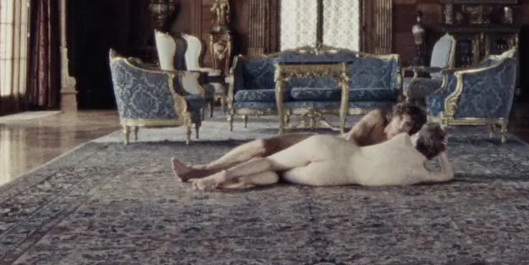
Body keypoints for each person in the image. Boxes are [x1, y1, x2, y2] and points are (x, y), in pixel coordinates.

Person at [170, 102, 428, 182]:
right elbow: (350, 139)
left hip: (327, 165)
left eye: (408, 126)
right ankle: (202, 168)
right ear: (394, 116)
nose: (401, 127)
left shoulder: (402, 143)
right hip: (325, 144)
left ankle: (209, 176)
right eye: (400, 121)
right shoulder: (376, 118)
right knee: (263, 145)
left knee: (270, 169)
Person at [188, 123, 453, 191]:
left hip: (332, 148)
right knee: (277, 176)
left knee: (271, 163)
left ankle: (222, 175)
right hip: (334, 176)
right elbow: (447, 175)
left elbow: (409, 134)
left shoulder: (402, 139)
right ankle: (230, 183)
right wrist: (442, 152)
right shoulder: (421, 174)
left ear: (418, 136)